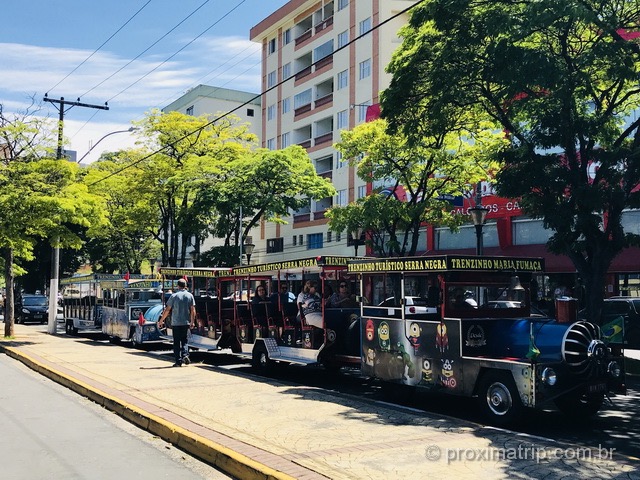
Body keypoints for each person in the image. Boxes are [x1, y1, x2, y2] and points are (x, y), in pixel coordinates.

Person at [158, 278, 196, 367]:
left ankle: (178, 362)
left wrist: (161, 320)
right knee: (185, 341)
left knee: (176, 342)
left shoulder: (174, 296)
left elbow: (167, 309)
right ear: (185, 286)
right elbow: (193, 310)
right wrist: (192, 321)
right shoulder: (190, 296)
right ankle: (185, 355)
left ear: (178, 286)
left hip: (175, 323)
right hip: (185, 322)